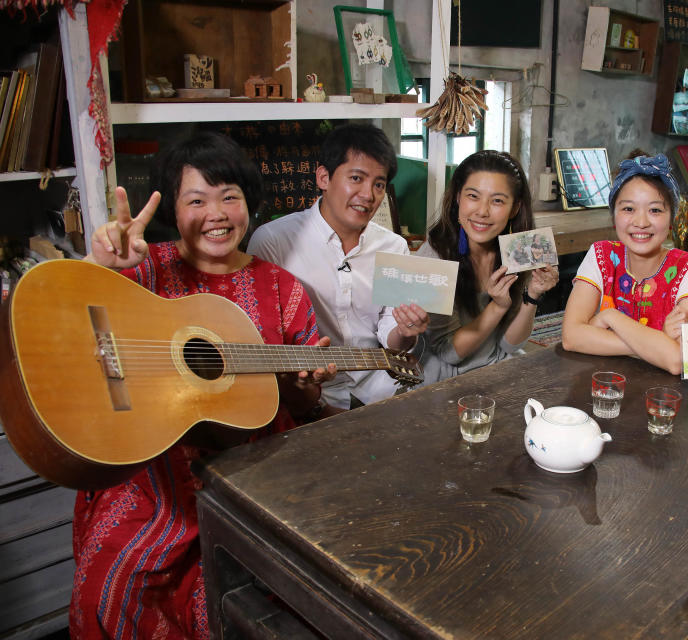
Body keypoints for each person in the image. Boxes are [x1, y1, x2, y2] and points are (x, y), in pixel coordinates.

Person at [72, 132, 337, 638]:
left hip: (251, 472)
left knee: (270, 604)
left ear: (248, 203)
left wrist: (304, 389)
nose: (216, 213)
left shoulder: (282, 287)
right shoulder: (142, 269)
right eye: (196, 200)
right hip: (152, 472)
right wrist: (99, 270)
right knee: (111, 587)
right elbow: (69, 334)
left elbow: (303, 404)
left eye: (229, 197)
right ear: (173, 207)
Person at [247, 124, 427, 410]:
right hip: (305, 395)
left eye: (379, 184)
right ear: (323, 177)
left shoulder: (394, 247)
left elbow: (392, 334)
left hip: (379, 388)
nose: (368, 194)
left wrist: (406, 331)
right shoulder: (273, 242)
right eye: (356, 178)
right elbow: (265, 339)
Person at [561, 152, 688, 374]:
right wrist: (659, 342)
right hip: (601, 387)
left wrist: (609, 317)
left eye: (655, 210)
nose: (641, 222)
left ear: (671, 217)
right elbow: (571, 337)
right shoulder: (601, 254)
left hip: (664, 398)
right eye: (628, 209)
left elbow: (679, 360)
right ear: (613, 214)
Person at [415, 150, 559, 384]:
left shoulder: (517, 250)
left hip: (497, 367)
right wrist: (498, 307)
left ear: (514, 208)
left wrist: (532, 295)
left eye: (497, 201)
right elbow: (449, 354)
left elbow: (510, 344)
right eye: (473, 196)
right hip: (444, 379)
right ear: (458, 198)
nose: (482, 211)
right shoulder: (433, 258)